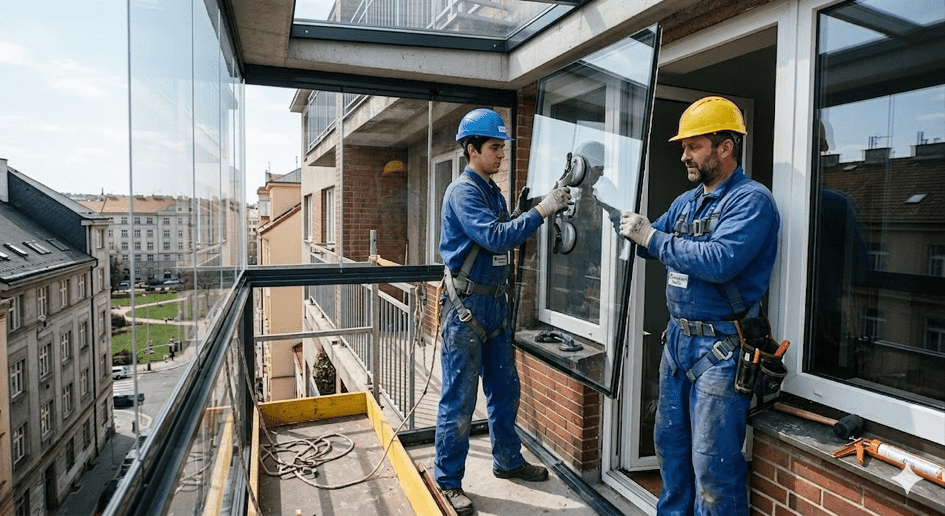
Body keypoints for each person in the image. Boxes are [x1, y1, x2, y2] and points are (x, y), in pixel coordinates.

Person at [619, 96, 780, 516]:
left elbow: (719, 261)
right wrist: (633, 230)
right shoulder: (687, 202)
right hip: (678, 344)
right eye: (684, 147)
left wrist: (652, 238)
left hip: (721, 351)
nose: (685, 155)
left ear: (725, 147)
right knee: (670, 451)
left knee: (714, 468)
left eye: (694, 146)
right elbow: (651, 247)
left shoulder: (751, 201)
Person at [436, 107, 571, 515]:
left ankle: (507, 460)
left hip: (494, 305)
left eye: (502, 148)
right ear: (472, 149)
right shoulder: (463, 191)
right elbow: (495, 238)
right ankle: (448, 480)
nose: (501, 155)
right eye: (495, 148)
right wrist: (542, 210)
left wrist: (530, 209)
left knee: (504, 391)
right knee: (459, 401)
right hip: (466, 308)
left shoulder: (490, 190)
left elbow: (505, 226)